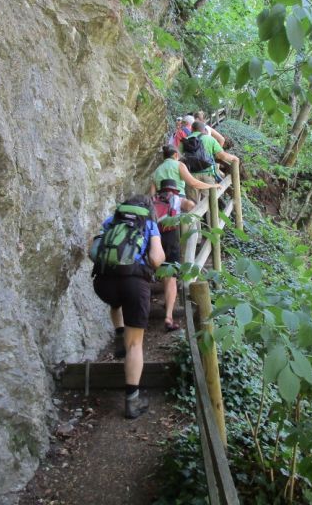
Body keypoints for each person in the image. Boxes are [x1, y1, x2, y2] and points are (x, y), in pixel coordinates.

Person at [91, 195, 165, 419]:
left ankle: (118, 333)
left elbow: (93, 252)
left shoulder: (110, 221)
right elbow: (156, 259)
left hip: (103, 283)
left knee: (117, 301)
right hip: (134, 284)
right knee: (135, 344)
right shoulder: (149, 225)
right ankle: (132, 401)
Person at [152, 179, 187, 332]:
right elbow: (192, 206)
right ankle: (168, 316)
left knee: (156, 270)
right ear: (174, 189)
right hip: (171, 238)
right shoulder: (176, 199)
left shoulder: (153, 200)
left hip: (155, 239)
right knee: (171, 277)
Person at [181, 120, 238, 201]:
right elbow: (222, 156)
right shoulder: (210, 139)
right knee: (208, 202)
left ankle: (196, 213)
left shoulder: (185, 140)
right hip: (207, 174)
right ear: (204, 130)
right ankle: (208, 213)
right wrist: (234, 158)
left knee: (192, 204)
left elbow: (179, 157)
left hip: (191, 175)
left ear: (192, 129)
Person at [149, 144, 219, 205]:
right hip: (178, 199)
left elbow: (152, 194)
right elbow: (193, 183)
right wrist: (211, 186)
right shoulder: (179, 165)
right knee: (192, 207)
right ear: (176, 155)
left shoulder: (156, 170)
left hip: (162, 202)